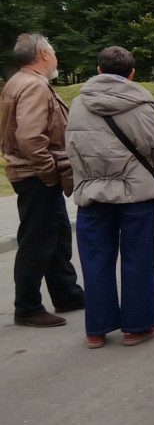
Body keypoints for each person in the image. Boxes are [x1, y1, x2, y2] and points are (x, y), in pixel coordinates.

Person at [65, 46, 154, 348]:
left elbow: (71, 148)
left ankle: (96, 329)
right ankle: (136, 327)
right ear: (131, 73)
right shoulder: (141, 105)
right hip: (135, 193)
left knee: (95, 260)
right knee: (137, 260)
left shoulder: (77, 104)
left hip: (91, 193)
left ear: (98, 70)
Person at [0, 33, 84, 327]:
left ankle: (67, 294)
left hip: (33, 173)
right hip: (35, 174)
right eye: (54, 53)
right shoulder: (33, 86)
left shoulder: (20, 81)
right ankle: (27, 307)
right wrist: (49, 173)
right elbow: (30, 137)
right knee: (37, 240)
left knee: (57, 235)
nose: (56, 58)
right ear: (43, 54)